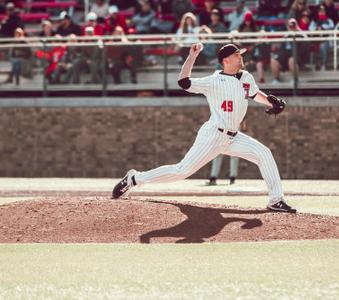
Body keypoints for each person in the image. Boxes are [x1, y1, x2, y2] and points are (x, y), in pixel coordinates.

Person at [112, 42, 296, 213]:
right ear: (226, 60)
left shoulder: (246, 77)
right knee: (181, 171)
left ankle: (275, 200)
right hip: (213, 135)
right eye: (237, 55)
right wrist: (192, 57)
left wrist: (271, 102)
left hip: (234, 137)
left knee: (264, 154)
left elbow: (254, 94)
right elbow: (184, 82)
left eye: (240, 54)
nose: (241, 58)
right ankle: (134, 178)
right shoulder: (213, 81)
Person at [271, 18, 310, 84]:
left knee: (291, 60)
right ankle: (276, 79)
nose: (292, 27)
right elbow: (282, 49)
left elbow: (306, 45)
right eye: (290, 26)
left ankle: (295, 80)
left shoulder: (301, 35)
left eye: (293, 26)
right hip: (285, 57)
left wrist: (298, 29)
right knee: (273, 60)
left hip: (297, 58)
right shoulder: (286, 36)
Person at [309, 4, 334, 71]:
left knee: (323, 46)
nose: (322, 12)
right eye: (320, 11)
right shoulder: (314, 21)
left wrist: (322, 28)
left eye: (323, 11)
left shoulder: (329, 21)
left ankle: (323, 65)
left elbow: (331, 28)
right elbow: (310, 29)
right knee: (311, 45)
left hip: (326, 40)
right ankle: (313, 65)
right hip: (316, 39)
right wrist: (317, 29)